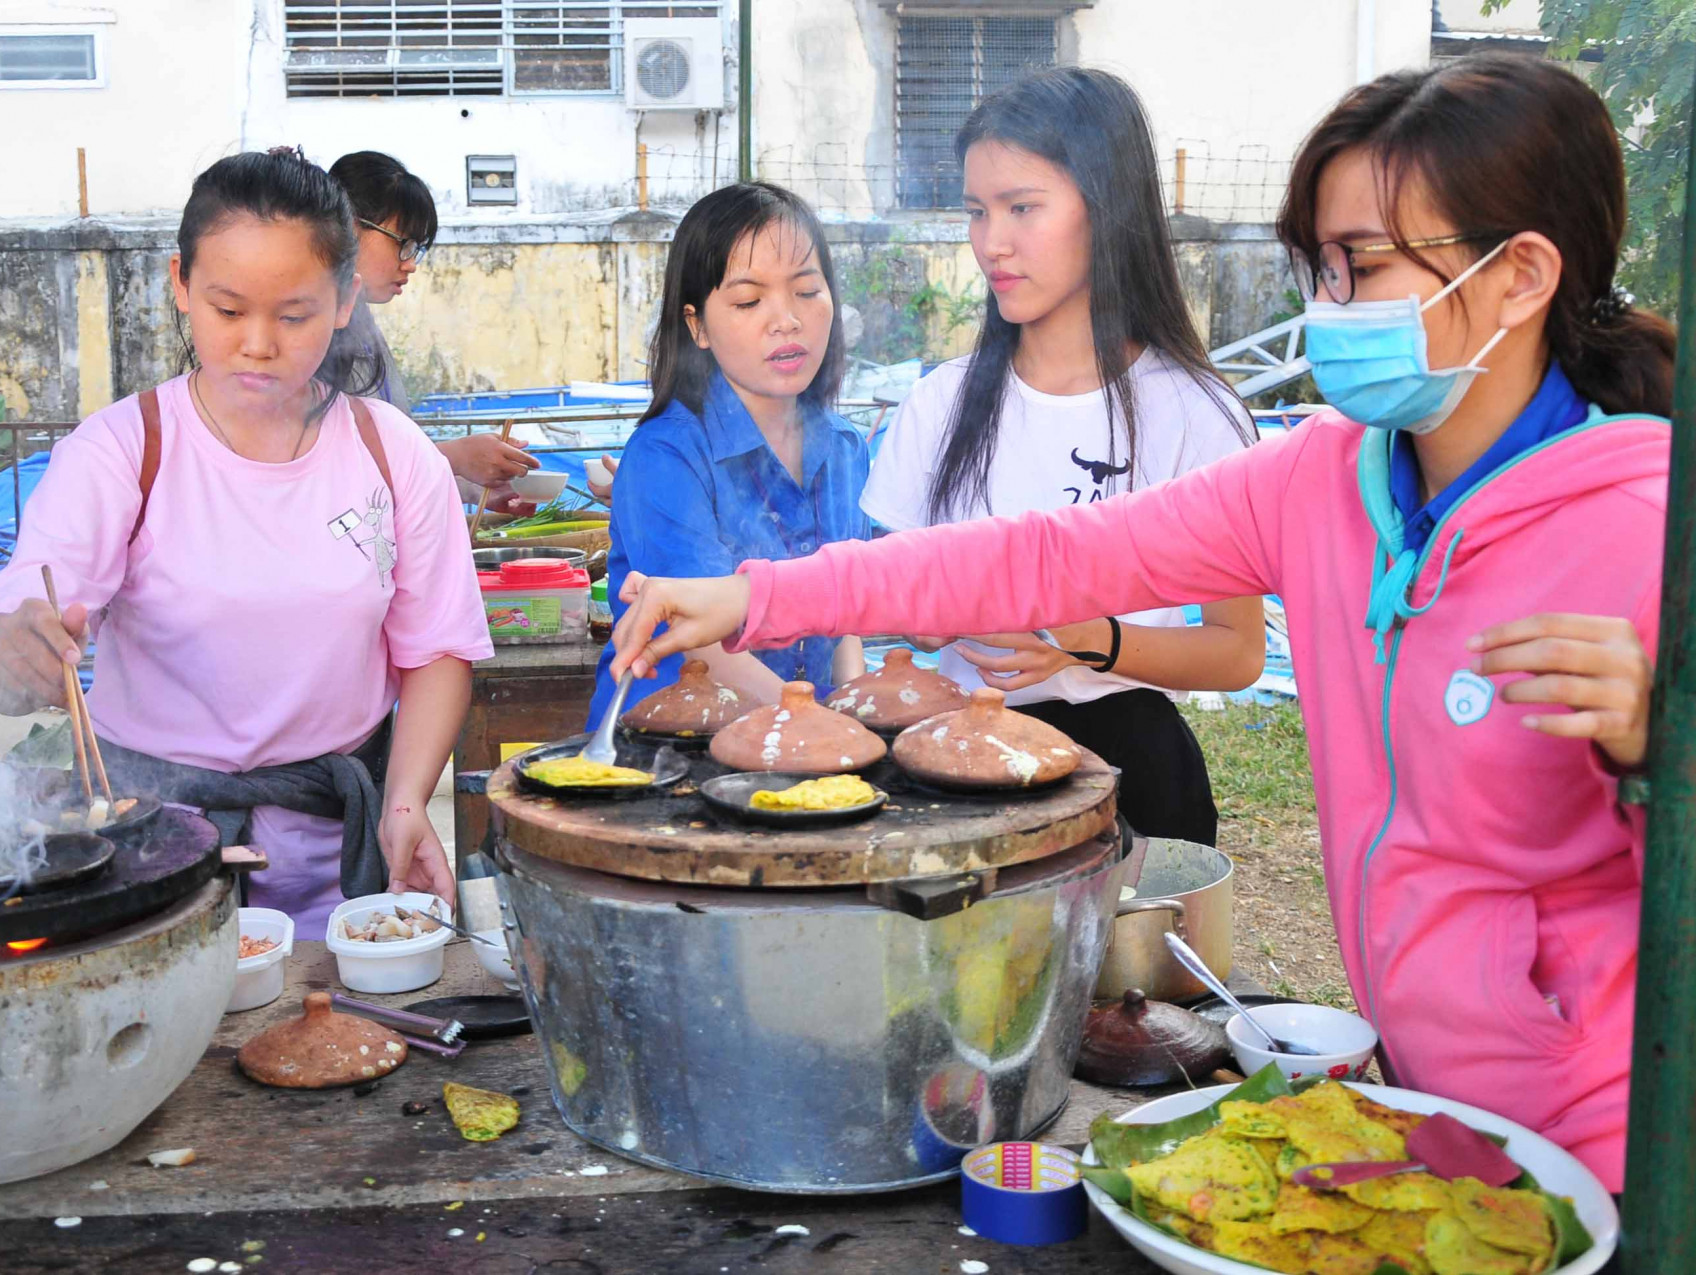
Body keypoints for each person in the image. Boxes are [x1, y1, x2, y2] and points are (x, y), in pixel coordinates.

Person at [607, 55, 1668, 1192]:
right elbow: (1047, 556)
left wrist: (1665, 741)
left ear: (1519, 277)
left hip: (1609, 1142)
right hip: (1424, 1106)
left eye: (1360, 267)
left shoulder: (1647, 524)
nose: (1329, 309)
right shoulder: (1323, 479)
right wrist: (764, 597)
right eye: (1319, 266)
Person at [0, 148, 492, 930]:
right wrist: (10, 649)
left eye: (293, 314)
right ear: (181, 284)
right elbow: (13, 622)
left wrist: (407, 798)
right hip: (149, 848)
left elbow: (437, 648)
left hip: (337, 857)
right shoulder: (123, 451)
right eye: (228, 308)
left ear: (346, 299)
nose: (257, 343)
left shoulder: (393, 452)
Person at [862, 68, 1262, 844]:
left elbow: (1240, 651)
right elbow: (892, 603)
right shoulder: (939, 403)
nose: (991, 243)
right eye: (977, 211)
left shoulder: (1196, 415)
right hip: (953, 766)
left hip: (1134, 771)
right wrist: (932, 614)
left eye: (1022, 208)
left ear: (1106, 211)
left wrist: (1089, 639)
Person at [587, 182, 870, 727]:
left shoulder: (845, 448)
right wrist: (827, 728)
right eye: (748, 300)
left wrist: (859, 713)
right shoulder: (665, 457)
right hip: (673, 746)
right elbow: (703, 646)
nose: (786, 319)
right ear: (697, 326)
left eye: (807, 292)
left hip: (810, 741)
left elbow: (846, 606)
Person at [327, 150, 539, 514]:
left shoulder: (361, 326)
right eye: (402, 243)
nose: (410, 264)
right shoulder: (309, 331)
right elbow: (329, 467)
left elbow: (391, 460)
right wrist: (453, 457)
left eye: (417, 249)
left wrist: (475, 487)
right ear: (348, 226)